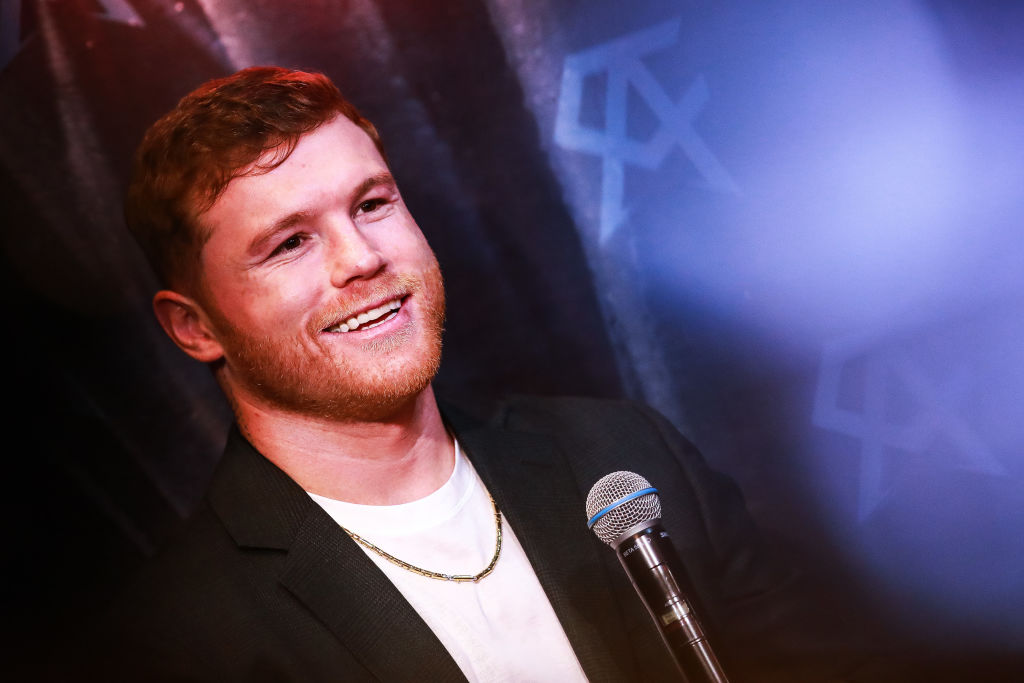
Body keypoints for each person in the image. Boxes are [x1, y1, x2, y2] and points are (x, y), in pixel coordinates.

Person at [74, 66, 866, 682]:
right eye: (290, 243)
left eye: (372, 203)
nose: (362, 258)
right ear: (196, 326)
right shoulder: (184, 637)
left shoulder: (623, 458)